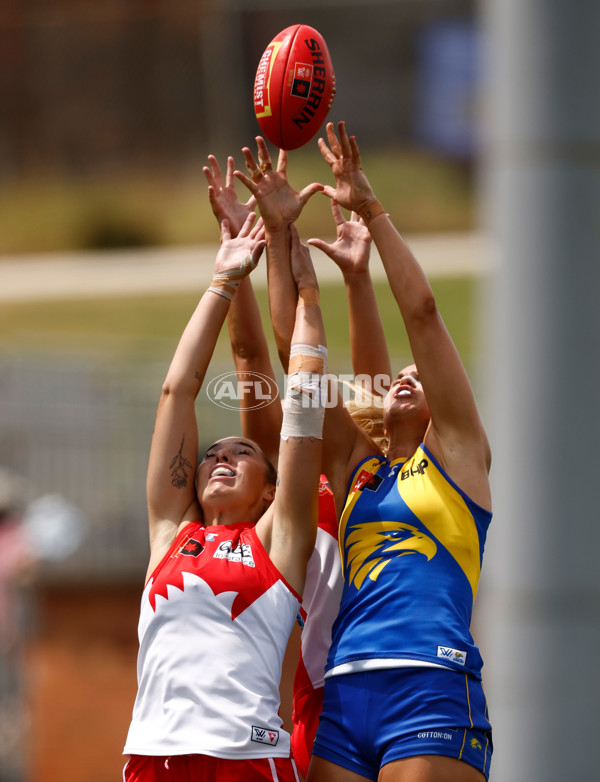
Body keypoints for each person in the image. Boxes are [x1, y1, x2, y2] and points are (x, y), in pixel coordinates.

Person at [303, 122, 493, 782]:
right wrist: (345, 275)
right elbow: (323, 369)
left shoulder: (460, 458)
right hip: (346, 690)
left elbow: (423, 312)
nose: (409, 376)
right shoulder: (362, 472)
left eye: (423, 376)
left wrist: (372, 211)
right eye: (399, 376)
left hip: (429, 681)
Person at [204, 144, 391, 779]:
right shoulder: (288, 486)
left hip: (393, 688)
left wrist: (287, 244)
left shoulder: (376, 466)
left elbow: (301, 361)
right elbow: (263, 354)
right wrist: (256, 243)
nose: (229, 454)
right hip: (318, 705)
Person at [122, 211, 328, 782]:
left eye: (242, 454)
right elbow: (176, 390)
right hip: (152, 755)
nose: (220, 457)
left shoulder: (278, 540)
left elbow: (304, 419)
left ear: (268, 492)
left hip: (246, 757)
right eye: (213, 453)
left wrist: (308, 299)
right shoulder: (170, 534)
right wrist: (223, 280)